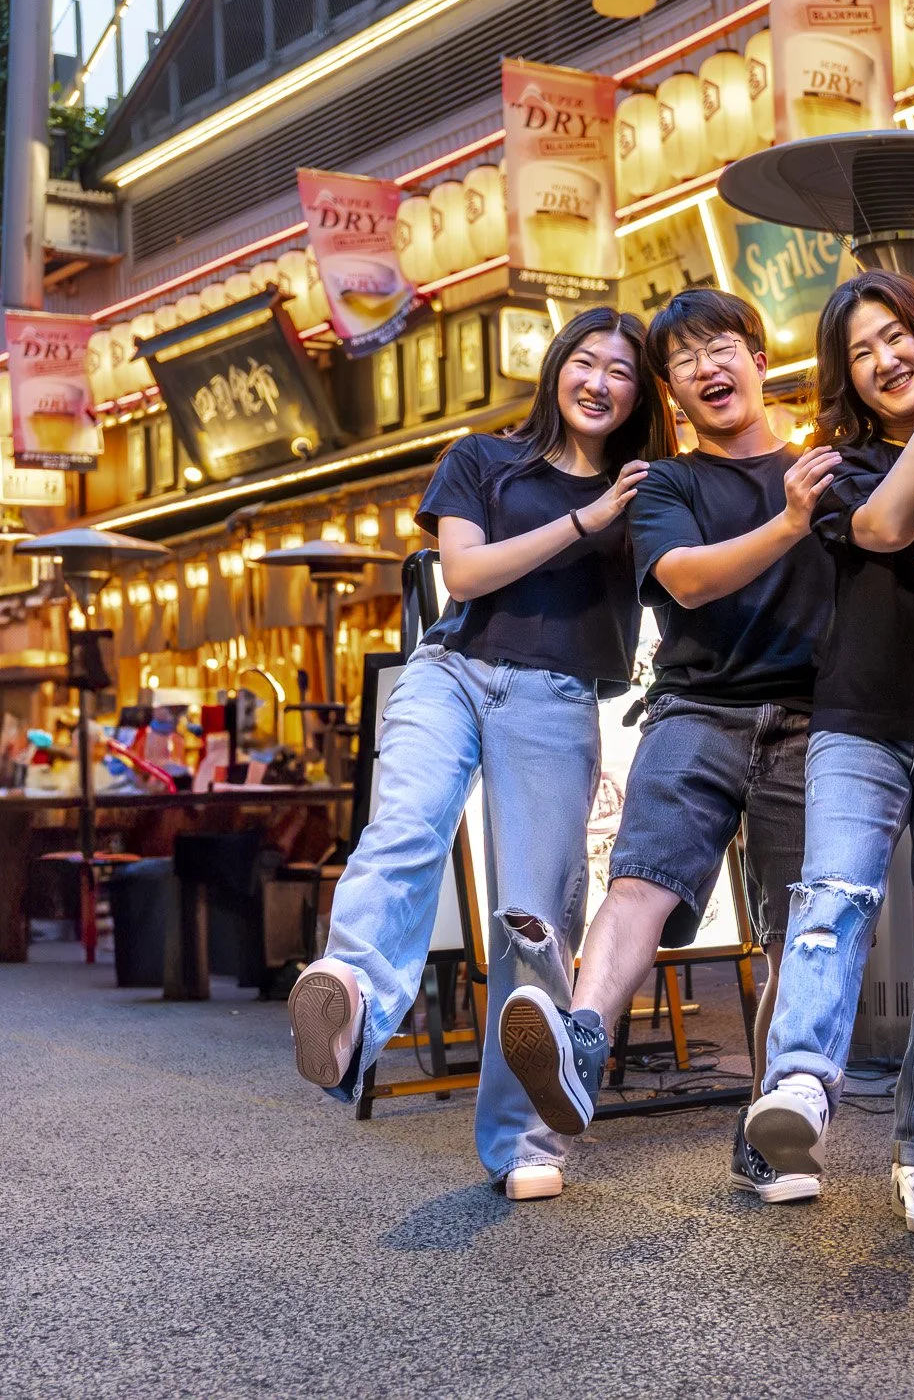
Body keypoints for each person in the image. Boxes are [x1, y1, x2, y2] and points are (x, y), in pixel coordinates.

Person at [286, 306, 673, 1200]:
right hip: (454, 671)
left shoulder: (649, 487)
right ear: (556, 369)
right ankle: (346, 995)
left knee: (533, 919)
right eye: (585, 361)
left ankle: (525, 1143)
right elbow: (462, 574)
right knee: (408, 824)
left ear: (639, 391)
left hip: (559, 697)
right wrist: (587, 521)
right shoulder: (483, 459)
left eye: (621, 370)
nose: (600, 382)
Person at [498, 287, 842, 1203]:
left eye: (723, 347)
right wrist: (790, 524)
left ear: (761, 360)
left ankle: (769, 1130)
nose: (707, 369)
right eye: (684, 361)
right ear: (671, 392)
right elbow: (685, 583)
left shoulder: (823, 468)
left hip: (813, 720)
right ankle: (569, 1066)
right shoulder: (669, 484)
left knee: (789, 936)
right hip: (695, 709)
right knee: (642, 882)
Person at [741, 271, 914, 1236]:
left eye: (897, 336)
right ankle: (802, 1087)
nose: (886, 359)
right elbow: (887, 527)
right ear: (847, 381)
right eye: (862, 352)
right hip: (856, 722)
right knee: (835, 897)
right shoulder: (837, 468)